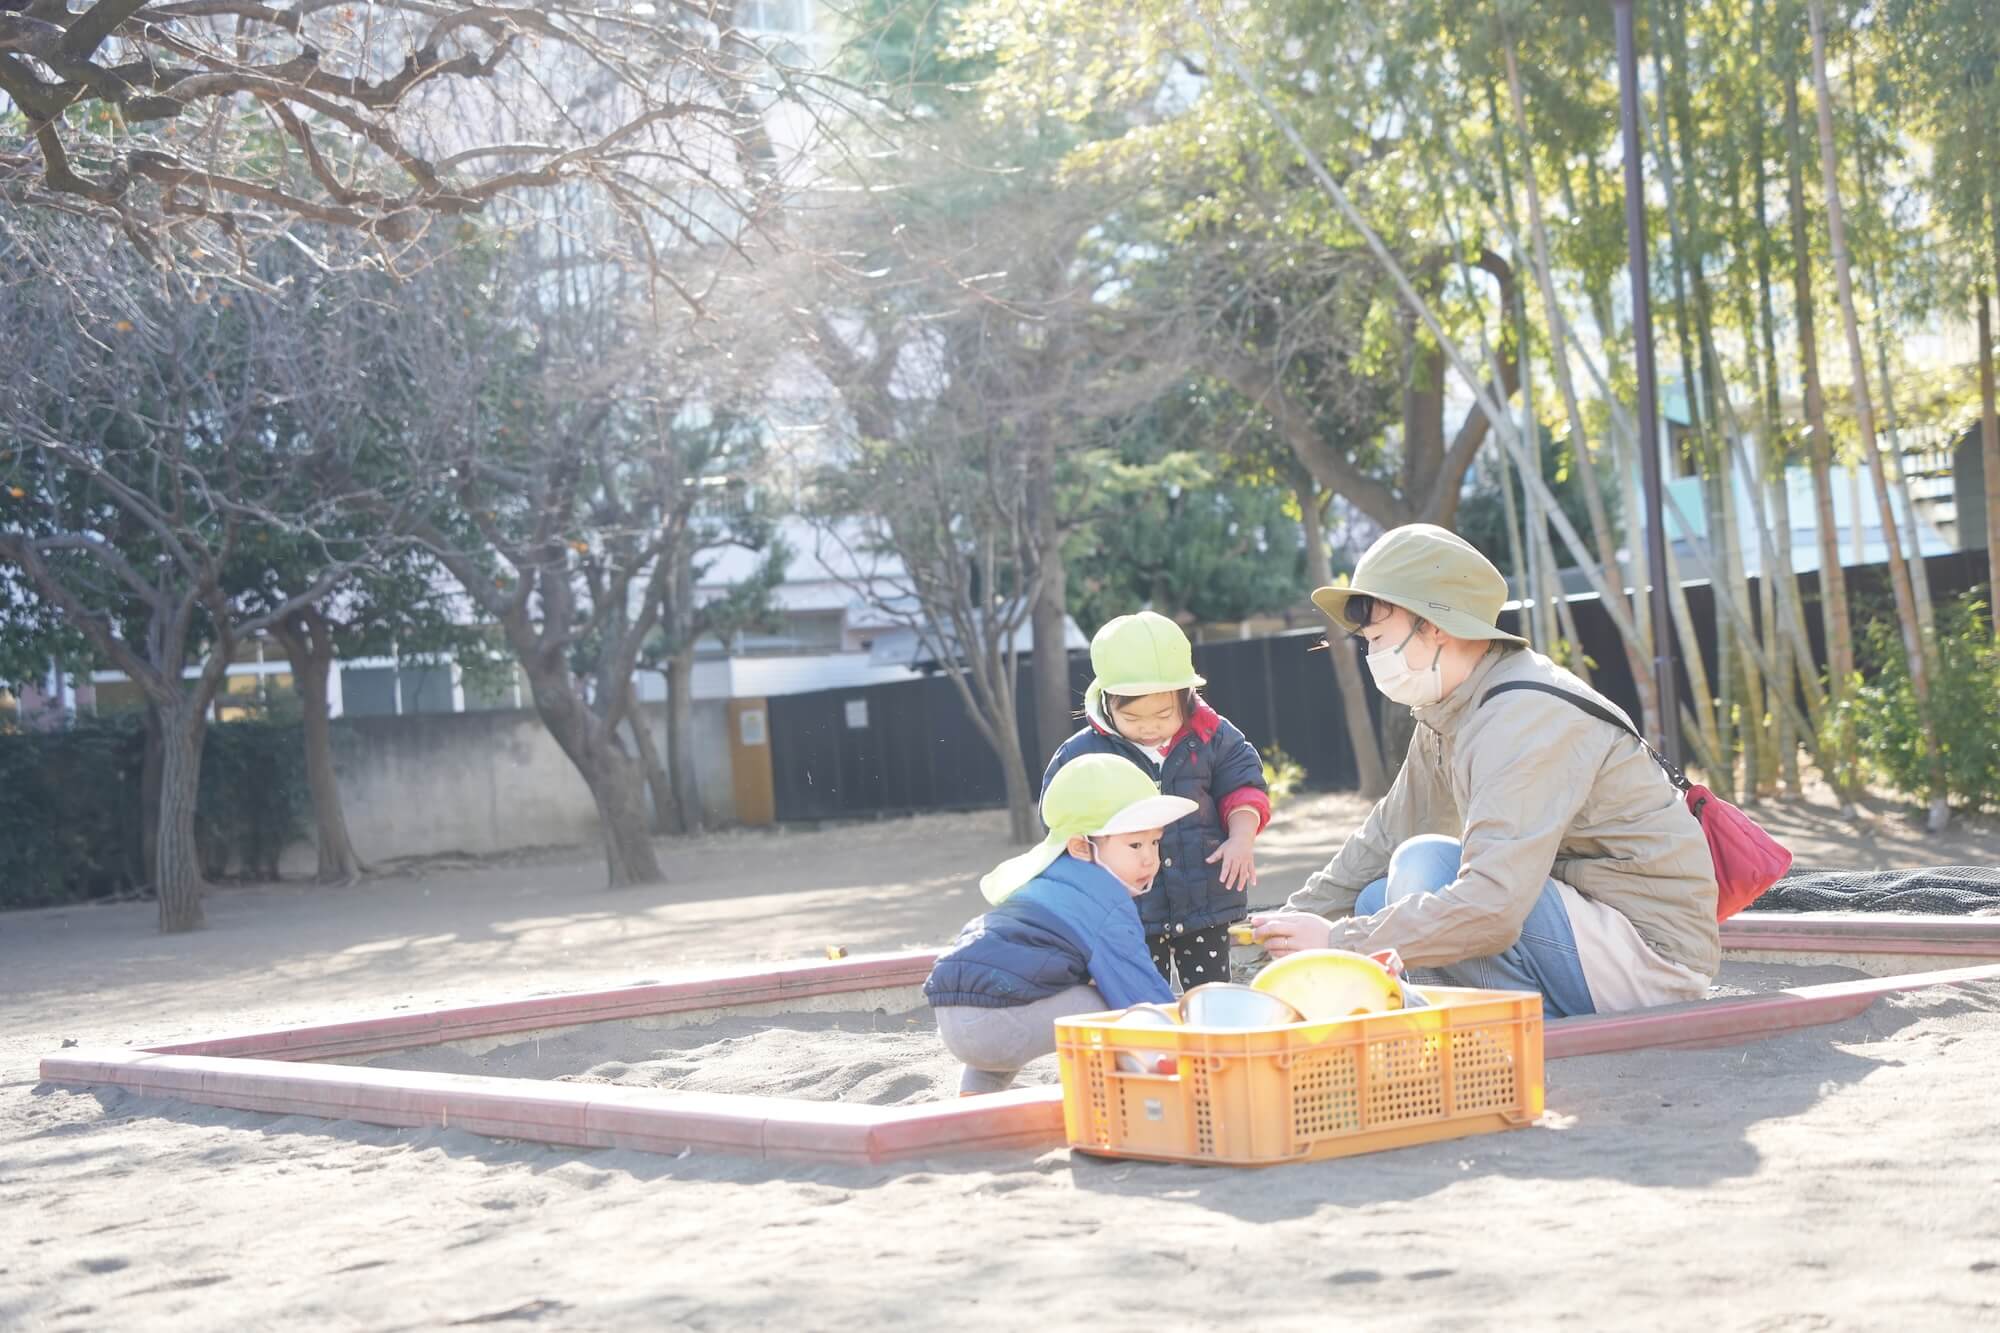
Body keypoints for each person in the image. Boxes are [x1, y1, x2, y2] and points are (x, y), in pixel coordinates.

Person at [1248, 524, 1719, 1018]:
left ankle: (1512, 1026)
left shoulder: (1521, 717)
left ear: (1434, 626)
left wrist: (1338, 940)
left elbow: (1493, 905)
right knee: (1373, 899)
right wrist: (1284, 926)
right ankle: (1478, 1020)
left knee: (1423, 870)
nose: (1373, 657)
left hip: (1652, 958)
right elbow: (1385, 836)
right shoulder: (1451, 709)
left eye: (1379, 638)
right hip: (1582, 929)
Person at [925, 753, 1196, 1095]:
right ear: (1082, 847)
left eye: (1155, 841)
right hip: (995, 1025)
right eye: (1134, 844)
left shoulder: (1042, 881)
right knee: (1110, 1006)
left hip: (952, 1016)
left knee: (1023, 989)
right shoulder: (1106, 903)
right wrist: (1189, 1042)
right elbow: (1139, 992)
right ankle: (1104, 1091)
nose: (1149, 858)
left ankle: (977, 1091)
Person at [1043, 611, 1271, 992]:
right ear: (1106, 702)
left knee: (1212, 995)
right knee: (1143, 997)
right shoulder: (1083, 754)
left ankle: (1211, 1049)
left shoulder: (1212, 736)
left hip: (1203, 898)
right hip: (1130, 908)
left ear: (1186, 698)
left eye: (1164, 714)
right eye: (1132, 718)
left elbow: (1243, 783)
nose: (1149, 727)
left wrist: (1241, 838)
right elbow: (1063, 819)